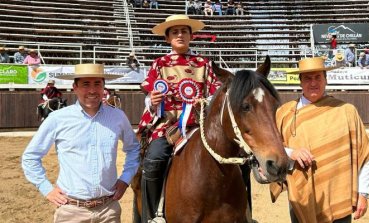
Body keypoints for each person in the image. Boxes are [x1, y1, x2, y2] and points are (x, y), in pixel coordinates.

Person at [22, 63, 140, 223]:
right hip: (71, 211)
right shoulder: (58, 119)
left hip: (108, 210)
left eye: (97, 84)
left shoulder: (118, 117)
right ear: (75, 87)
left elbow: (133, 149)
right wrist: (46, 188)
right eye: (85, 84)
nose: (92, 90)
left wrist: (125, 179)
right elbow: (30, 157)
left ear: (104, 87)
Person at [137, 14, 221, 222]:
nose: (180, 35)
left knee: (239, 160)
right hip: (168, 126)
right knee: (155, 158)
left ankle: (244, 212)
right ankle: (152, 215)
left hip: (201, 125)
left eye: (184, 31)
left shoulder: (204, 63)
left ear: (191, 36)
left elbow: (216, 92)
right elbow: (150, 95)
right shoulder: (159, 64)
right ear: (167, 39)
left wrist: (207, 102)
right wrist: (153, 100)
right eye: (174, 32)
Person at [271, 57, 369, 223]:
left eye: (318, 77)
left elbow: (364, 155)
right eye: (308, 78)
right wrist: (292, 153)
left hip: (340, 197)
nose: (313, 83)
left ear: (326, 79)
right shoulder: (284, 114)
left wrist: (363, 194)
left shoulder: (346, 111)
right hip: (301, 197)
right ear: (300, 82)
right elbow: (272, 150)